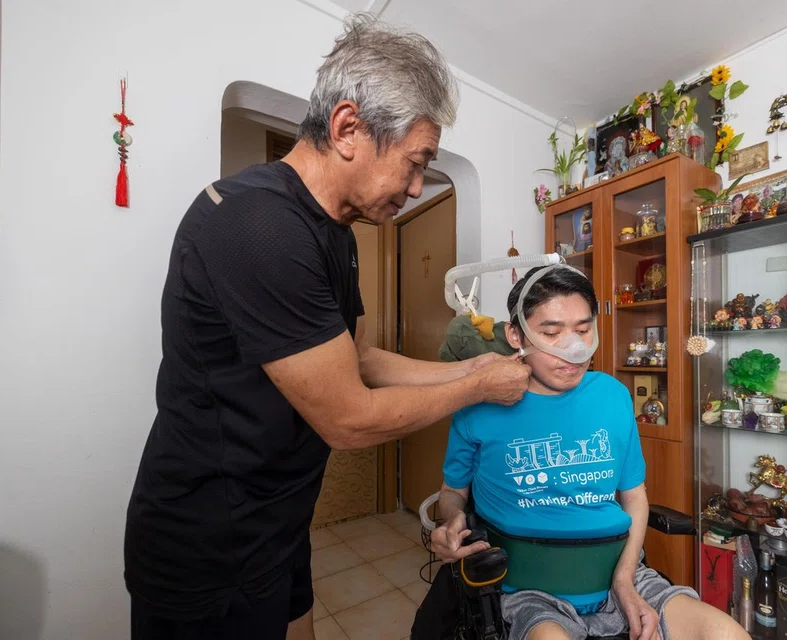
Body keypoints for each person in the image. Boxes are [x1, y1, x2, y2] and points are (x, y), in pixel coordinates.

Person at [123, 13, 531, 640]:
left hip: (278, 522)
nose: (416, 188)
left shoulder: (336, 233)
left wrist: (471, 365)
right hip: (209, 543)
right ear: (347, 128)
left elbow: (360, 358)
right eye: (414, 164)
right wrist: (478, 388)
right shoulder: (259, 225)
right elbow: (348, 417)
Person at [430, 266, 749, 640]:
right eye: (552, 333)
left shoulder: (612, 395)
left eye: (582, 330)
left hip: (621, 573)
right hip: (531, 590)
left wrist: (625, 579)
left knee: (725, 633)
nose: (573, 349)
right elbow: (452, 492)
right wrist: (453, 519)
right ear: (516, 334)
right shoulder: (479, 407)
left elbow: (634, 496)